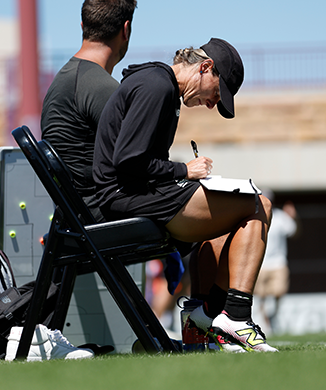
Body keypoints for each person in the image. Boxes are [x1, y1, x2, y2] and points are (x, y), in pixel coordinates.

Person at [93, 38, 278, 352]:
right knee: (259, 204)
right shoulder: (157, 86)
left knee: (225, 217)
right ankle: (234, 316)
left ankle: (204, 316)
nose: (211, 104)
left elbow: (133, 159)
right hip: (122, 199)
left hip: (130, 194)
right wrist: (183, 171)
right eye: (216, 94)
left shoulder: (159, 85)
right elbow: (128, 159)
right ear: (205, 68)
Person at [41, 0, 137, 222]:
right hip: (103, 215)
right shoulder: (101, 87)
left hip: (76, 216)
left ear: (83, 26)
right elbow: (137, 162)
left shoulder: (64, 79)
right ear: (125, 29)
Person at [254, 190, 298, 333]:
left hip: (278, 263)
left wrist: (293, 217)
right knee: (260, 295)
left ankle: (273, 316)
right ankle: (264, 322)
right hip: (260, 263)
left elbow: (294, 232)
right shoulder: (254, 218)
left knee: (278, 292)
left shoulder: (280, 217)